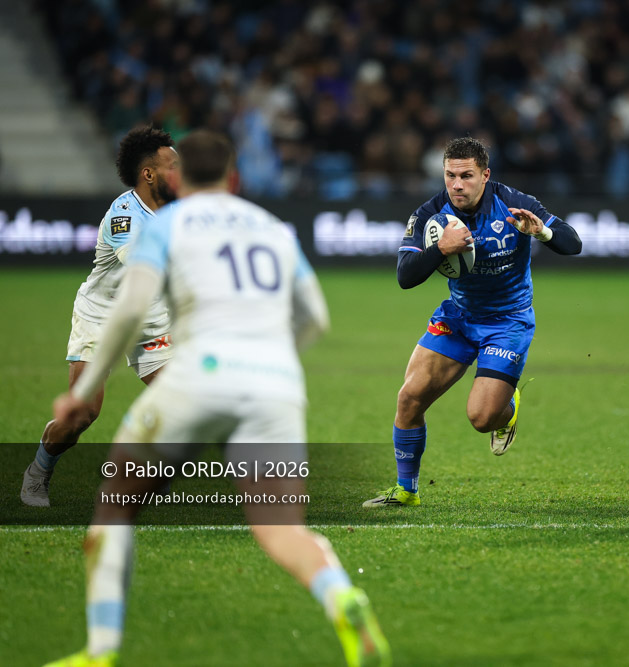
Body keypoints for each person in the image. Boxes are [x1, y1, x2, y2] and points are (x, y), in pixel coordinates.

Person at [43, 130, 390, 667]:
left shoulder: (169, 224)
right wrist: (274, 355)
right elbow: (316, 318)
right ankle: (342, 595)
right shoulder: (272, 226)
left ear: (181, 179)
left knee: (114, 504)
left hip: (200, 372)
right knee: (281, 527)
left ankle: (100, 650)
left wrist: (83, 392)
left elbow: (131, 309)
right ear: (233, 178)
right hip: (275, 383)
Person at [363, 136, 582, 507]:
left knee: (482, 418)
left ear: (485, 175)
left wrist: (540, 232)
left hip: (507, 322)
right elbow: (405, 276)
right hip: (459, 317)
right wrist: (440, 249)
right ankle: (406, 490)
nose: (457, 184)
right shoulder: (430, 215)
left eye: (466, 175)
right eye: (450, 175)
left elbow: (573, 242)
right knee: (409, 399)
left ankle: (507, 410)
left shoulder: (515, 203)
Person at [21, 125, 178, 507]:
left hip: (152, 319)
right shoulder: (124, 215)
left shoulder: (181, 207)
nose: (182, 170)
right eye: (173, 164)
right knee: (83, 414)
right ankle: (38, 472)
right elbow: (143, 270)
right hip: (103, 316)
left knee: (184, 408)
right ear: (149, 174)